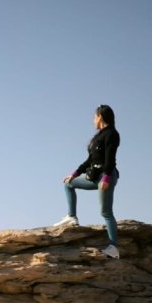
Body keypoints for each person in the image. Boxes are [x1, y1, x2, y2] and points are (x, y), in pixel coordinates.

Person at [54, 104, 121, 258]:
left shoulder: (112, 134)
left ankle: (113, 248)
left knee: (106, 212)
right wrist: (75, 173)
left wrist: (106, 177)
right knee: (68, 184)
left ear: (100, 117)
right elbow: (90, 160)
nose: (93, 120)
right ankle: (72, 217)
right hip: (94, 176)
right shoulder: (98, 137)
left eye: (94, 117)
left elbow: (110, 159)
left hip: (107, 176)